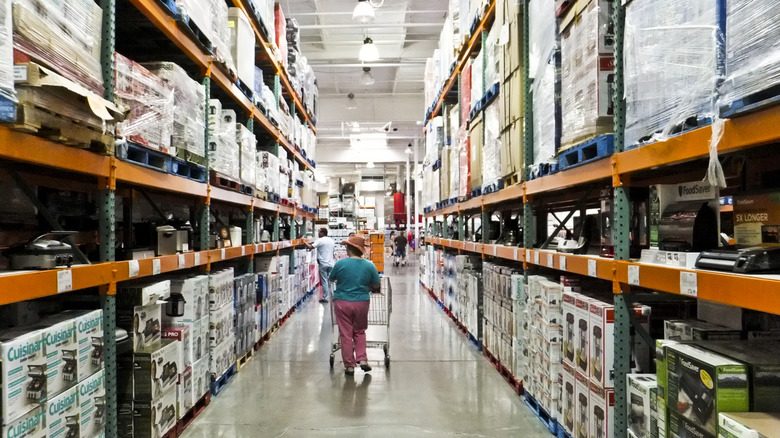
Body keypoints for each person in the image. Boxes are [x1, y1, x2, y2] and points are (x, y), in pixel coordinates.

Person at [329, 234, 381, 375]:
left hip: (342, 302)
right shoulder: (369, 265)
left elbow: (331, 278)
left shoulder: (340, 264)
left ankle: (349, 365)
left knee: (346, 334)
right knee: (359, 331)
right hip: (362, 302)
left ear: (349, 249)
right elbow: (376, 284)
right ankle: (362, 359)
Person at [305, 228, 335, 303]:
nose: (318, 234)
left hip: (323, 264)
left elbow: (310, 247)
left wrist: (304, 242)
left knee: (324, 281)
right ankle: (334, 296)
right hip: (331, 263)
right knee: (331, 280)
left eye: (319, 232)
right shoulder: (331, 241)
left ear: (322, 233)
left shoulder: (320, 240)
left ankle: (326, 297)